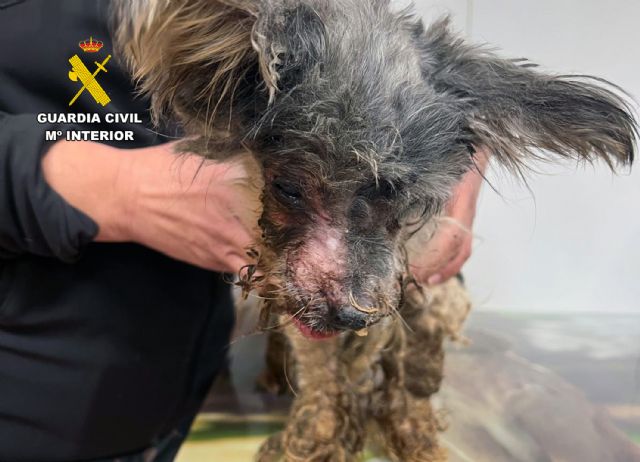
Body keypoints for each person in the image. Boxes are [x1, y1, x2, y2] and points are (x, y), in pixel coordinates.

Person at [0, 1, 483, 460]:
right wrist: (118, 190)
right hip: (35, 403)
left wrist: (453, 154)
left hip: (194, 376)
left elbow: (402, 60)